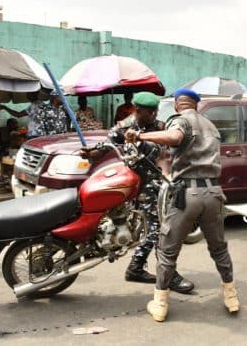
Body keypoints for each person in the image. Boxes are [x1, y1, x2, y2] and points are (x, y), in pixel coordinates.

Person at [125, 88, 239, 322]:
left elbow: (175, 137)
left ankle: (160, 304)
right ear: (195, 105)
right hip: (214, 192)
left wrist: (140, 136)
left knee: (168, 249)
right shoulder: (211, 126)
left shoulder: (180, 121)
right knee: (219, 248)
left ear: (178, 104)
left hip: (189, 194)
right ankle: (231, 297)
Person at [83, 92, 193, 294]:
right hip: (133, 185)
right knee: (158, 230)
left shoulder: (160, 127)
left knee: (157, 230)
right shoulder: (124, 127)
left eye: (155, 111)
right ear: (137, 110)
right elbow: (105, 146)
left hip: (156, 185)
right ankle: (161, 273)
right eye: (149, 112)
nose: (153, 115)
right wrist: (91, 153)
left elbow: (170, 149)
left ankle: (138, 268)